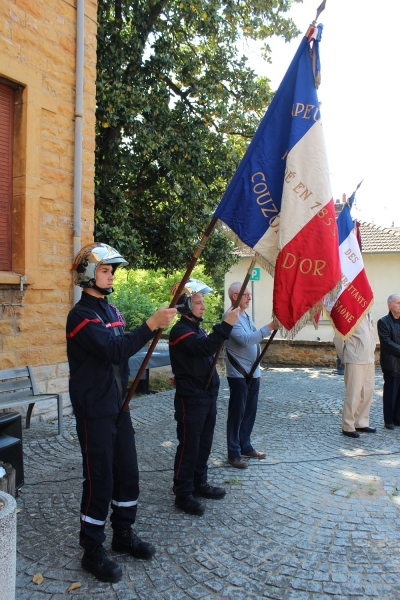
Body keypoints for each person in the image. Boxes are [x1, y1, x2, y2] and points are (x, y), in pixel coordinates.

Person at [66, 243, 176, 583]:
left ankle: (122, 534)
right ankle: (92, 549)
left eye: (112, 270)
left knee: (128, 473)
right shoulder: (80, 316)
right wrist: (149, 324)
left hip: (119, 406)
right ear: (88, 274)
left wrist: (157, 323)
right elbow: (114, 351)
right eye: (104, 269)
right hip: (94, 410)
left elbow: (125, 348)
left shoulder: (111, 311)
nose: (111, 274)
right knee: (100, 478)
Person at [169, 278, 240, 515]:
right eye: (198, 302)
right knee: (190, 446)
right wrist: (226, 325)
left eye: (202, 302)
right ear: (186, 304)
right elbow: (204, 348)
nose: (204, 307)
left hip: (207, 396)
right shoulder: (179, 331)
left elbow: (205, 347)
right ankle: (183, 492)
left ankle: (199, 482)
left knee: (204, 443)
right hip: (192, 399)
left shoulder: (196, 328)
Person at [224, 282, 274, 468]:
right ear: (235, 296)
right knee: (237, 413)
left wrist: (258, 370)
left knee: (250, 412)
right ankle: (233, 452)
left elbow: (255, 343)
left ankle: (245, 446)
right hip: (238, 374)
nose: (249, 297)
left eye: (249, 294)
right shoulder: (231, 316)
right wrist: (268, 327)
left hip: (252, 374)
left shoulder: (245, 315)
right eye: (246, 294)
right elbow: (246, 341)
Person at [333, 313, 376, 438]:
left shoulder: (368, 314)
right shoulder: (349, 314)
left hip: (369, 358)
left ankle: (360, 422)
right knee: (354, 393)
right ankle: (348, 425)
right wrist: (344, 358)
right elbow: (339, 338)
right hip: (355, 358)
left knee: (368, 391)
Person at [377, 294, 400, 429]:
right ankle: (389, 420)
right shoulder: (383, 322)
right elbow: (387, 342)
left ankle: (398, 418)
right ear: (390, 306)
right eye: (398, 303)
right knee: (391, 392)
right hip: (391, 363)